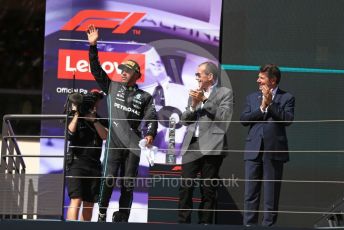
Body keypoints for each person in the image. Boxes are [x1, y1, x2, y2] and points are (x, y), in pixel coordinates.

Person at [86, 24, 158, 222]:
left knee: (128, 183)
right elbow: (95, 69)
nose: (123, 72)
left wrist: (151, 133)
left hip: (133, 144)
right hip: (114, 141)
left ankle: (123, 217)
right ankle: (102, 212)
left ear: (136, 75)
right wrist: (93, 46)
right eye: (122, 70)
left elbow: (152, 116)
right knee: (108, 179)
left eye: (127, 70)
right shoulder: (112, 86)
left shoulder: (145, 96)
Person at [178, 61, 233, 224]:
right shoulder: (194, 93)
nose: (197, 77)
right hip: (192, 145)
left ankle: (205, 224)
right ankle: (183, 224)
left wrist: (205, 100)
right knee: (186, 187)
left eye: (199, 74)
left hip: (212, 146)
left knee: (208, 190)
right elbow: (184, 121)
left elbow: (224, 117)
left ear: (210, 76)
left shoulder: (225, 93)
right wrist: (194, 107)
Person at [240, 64, 295, 226]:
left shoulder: (287, 97)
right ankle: (249, 226)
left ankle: (268, 227)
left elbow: (287, 119)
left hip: (274, 151)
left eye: (261, 78)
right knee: (250, 194)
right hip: (253, 150)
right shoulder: (252, 97)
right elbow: (244, 119)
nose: (258, 81)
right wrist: (262, 107)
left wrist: (271, 104)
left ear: (273, 80)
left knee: (271, 195)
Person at [66, 90, 108, 221]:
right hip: (77, 164)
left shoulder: (100, 119)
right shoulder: (75, 117)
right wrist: (78, 113)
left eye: (98, 99)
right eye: (92, 98)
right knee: (76, 200)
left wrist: (94, 120)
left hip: (94, 165)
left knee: (89, 203)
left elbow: (105, 136)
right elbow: (70, 135)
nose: (95, 102)